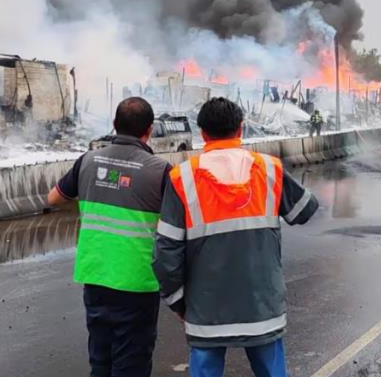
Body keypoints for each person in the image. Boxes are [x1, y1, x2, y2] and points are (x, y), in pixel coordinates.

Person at [153, 97, 318, 377]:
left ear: (202, 133)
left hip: (206, 311)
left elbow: (166, 253)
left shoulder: (183, 177)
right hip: (261, 307)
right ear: (241, 128)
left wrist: (178, 301)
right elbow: (304, 210)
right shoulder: (270, 169)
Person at [46, 97, 170, 377]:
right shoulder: (160, 171)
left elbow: (53, 198)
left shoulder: (88, 161)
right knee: (132, 364)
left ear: (114, 126)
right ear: (149, 130)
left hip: (96, 276)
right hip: (137, 282)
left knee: (100, 361)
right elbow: (178, 222)